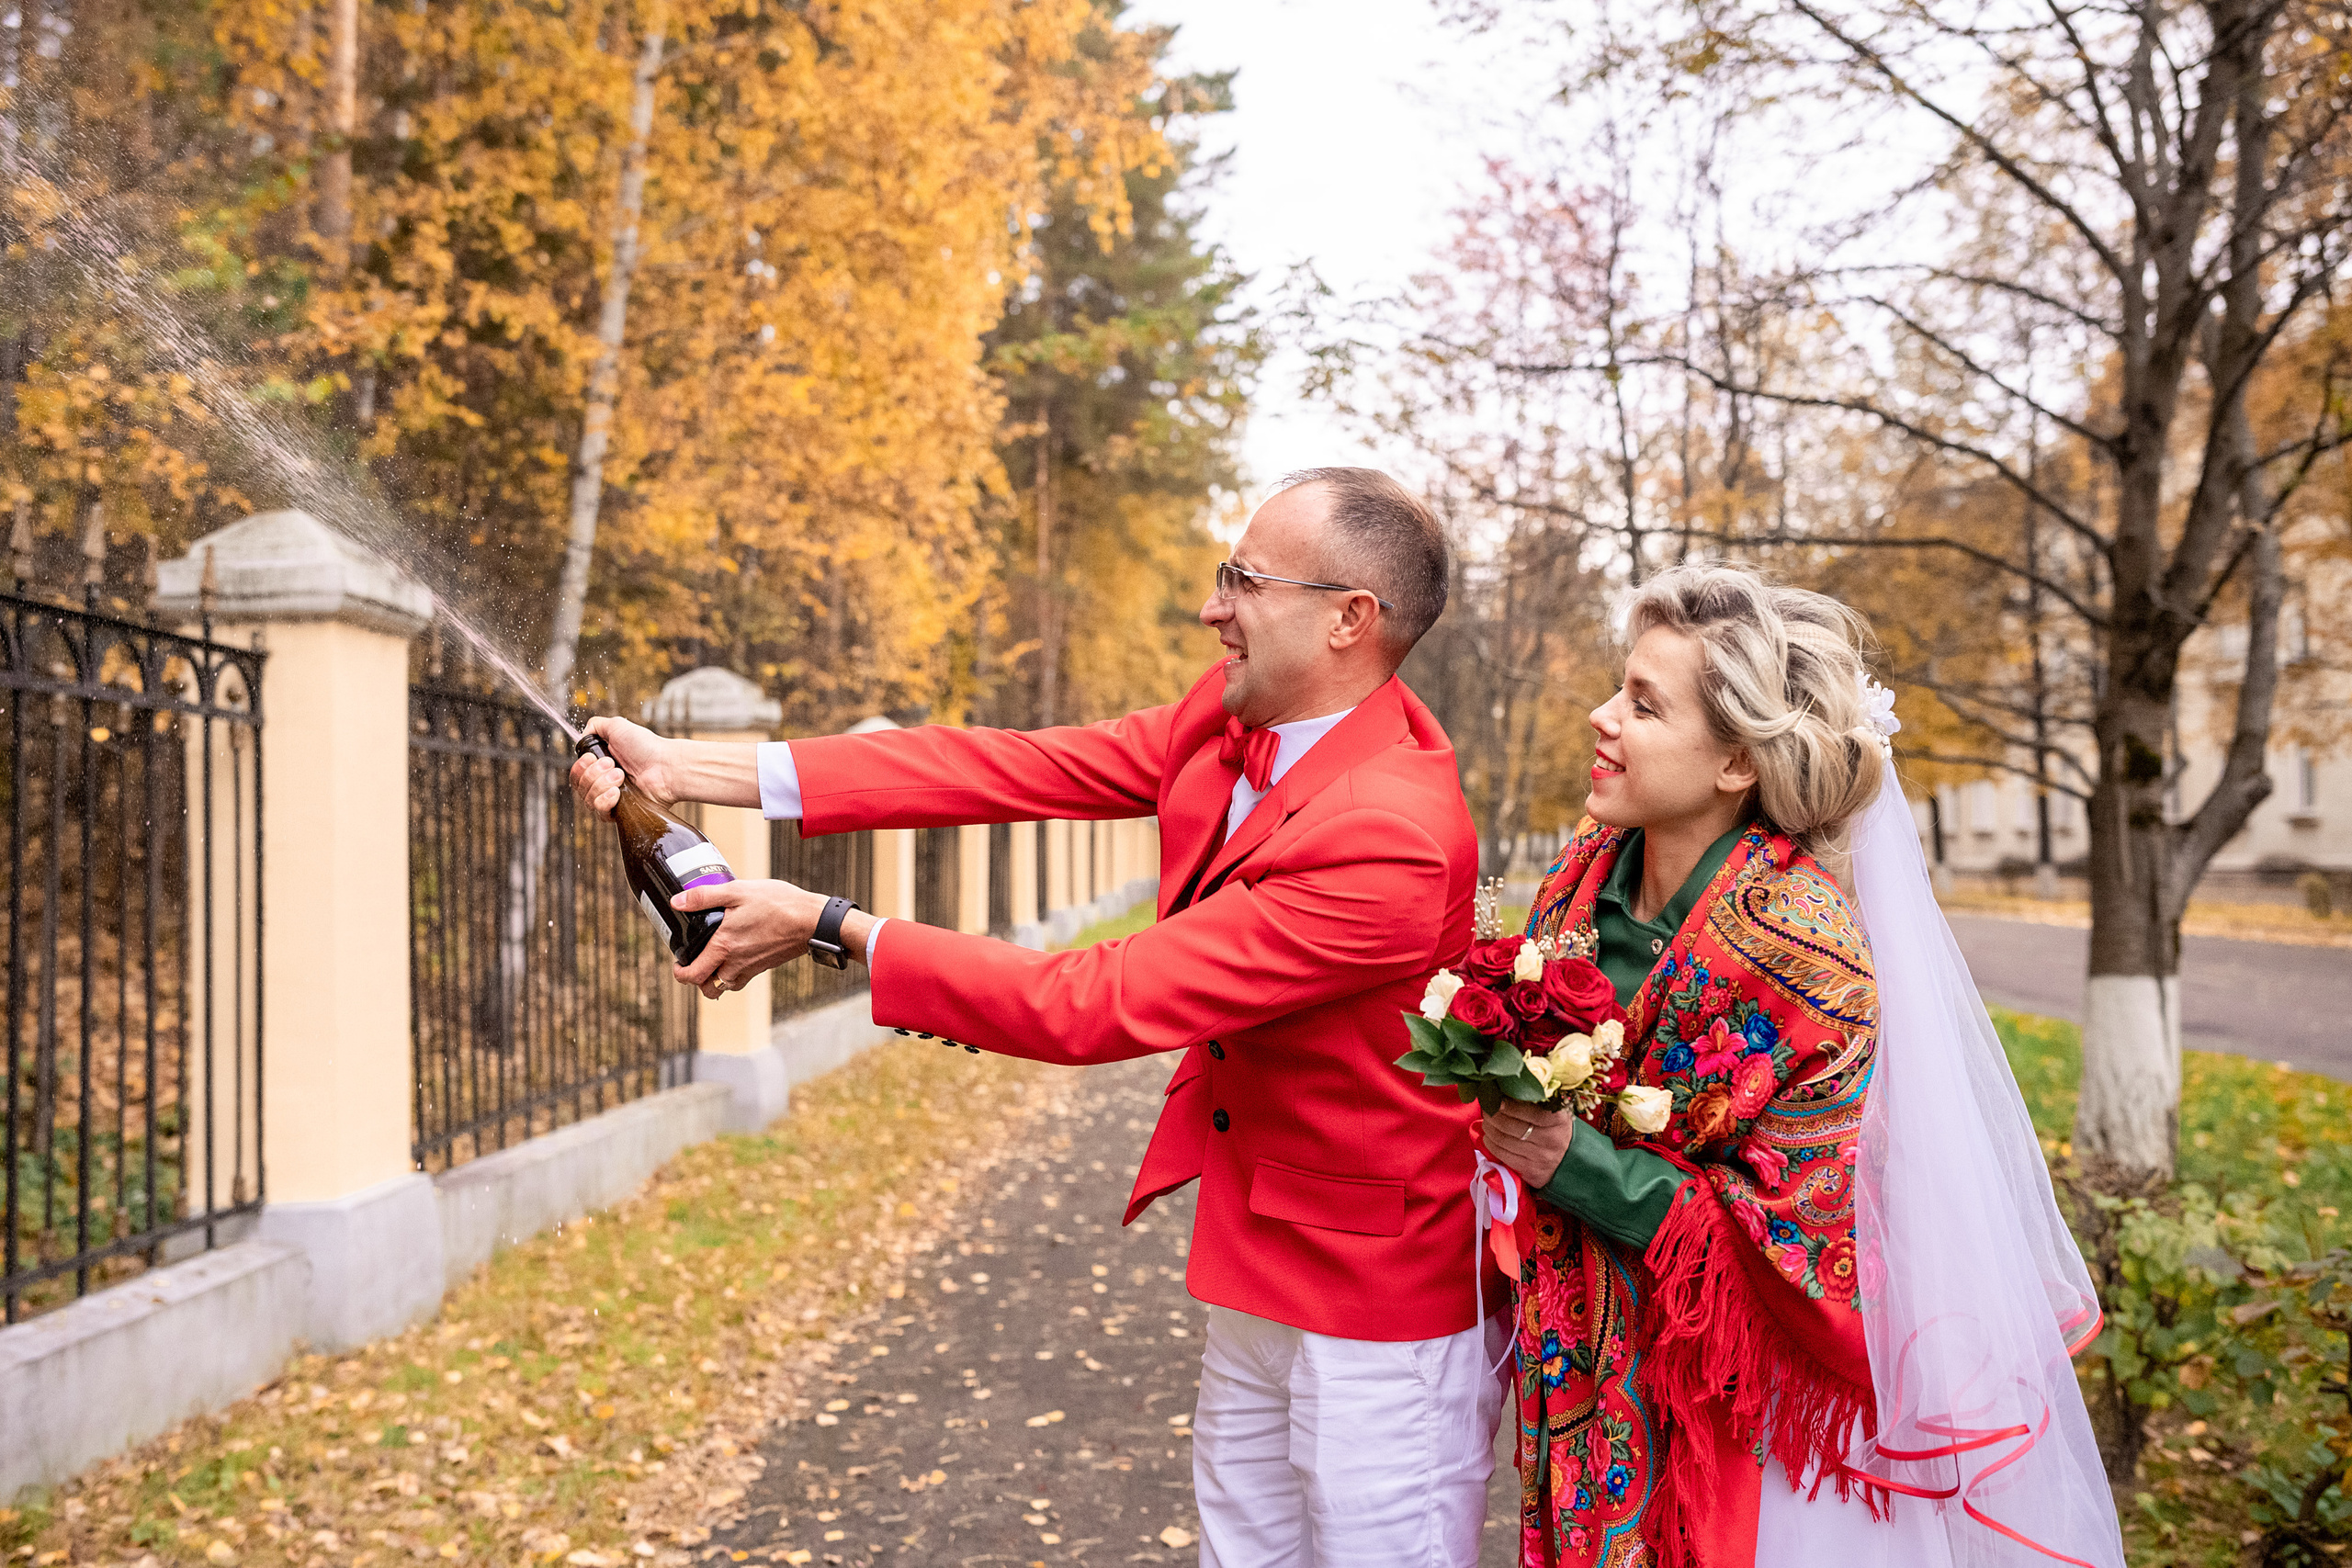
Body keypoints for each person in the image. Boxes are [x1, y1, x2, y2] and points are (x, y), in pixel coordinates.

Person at [570, 468, 1507, 1568]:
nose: (1213, 608)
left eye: (1244, 581)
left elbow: (1098, 1001)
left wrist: (831, 925)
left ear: (1351, 619)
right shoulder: (1227, 717)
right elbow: (1006, 765)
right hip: (1260, 1252)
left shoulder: (1391, 831)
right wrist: (692, 768)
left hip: (1377, 1309)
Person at [1476, 565, 2121, 1567]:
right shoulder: (1579, 874)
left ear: (1738, 761)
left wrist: (1577, 1167)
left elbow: (1807, 1238)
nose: (1600, 718)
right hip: (1577, 1354)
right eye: (1617, 687)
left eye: (1643, 704)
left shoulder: (1808, 962)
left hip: (1746, 1419)